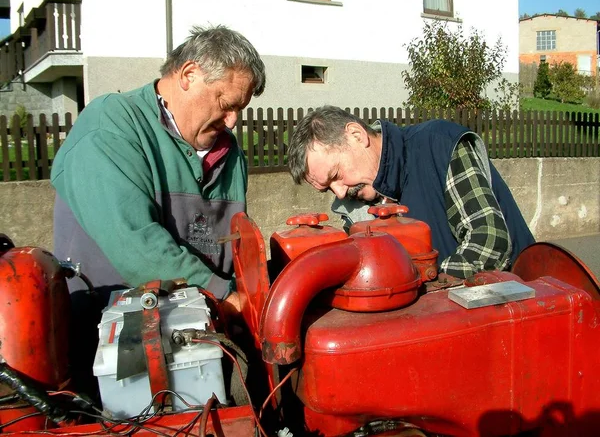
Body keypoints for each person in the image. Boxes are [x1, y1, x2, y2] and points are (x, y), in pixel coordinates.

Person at [51, 25, 265, 395]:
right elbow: (138, 248)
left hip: (198, 350)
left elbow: (232, 250)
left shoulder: (230, 155)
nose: (233, 120)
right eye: (226, 103)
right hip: (109, 357)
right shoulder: (112, 127)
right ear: (188, 75)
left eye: (239, 109)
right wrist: (225, 297)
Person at [288, 105, 535, 279]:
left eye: (336, 175)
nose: (339, 193)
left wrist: (428, 285)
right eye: (327, 188)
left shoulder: (439, 144)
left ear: (356, 135)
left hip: (526, 307)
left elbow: (489, 241)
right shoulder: (355, 200)